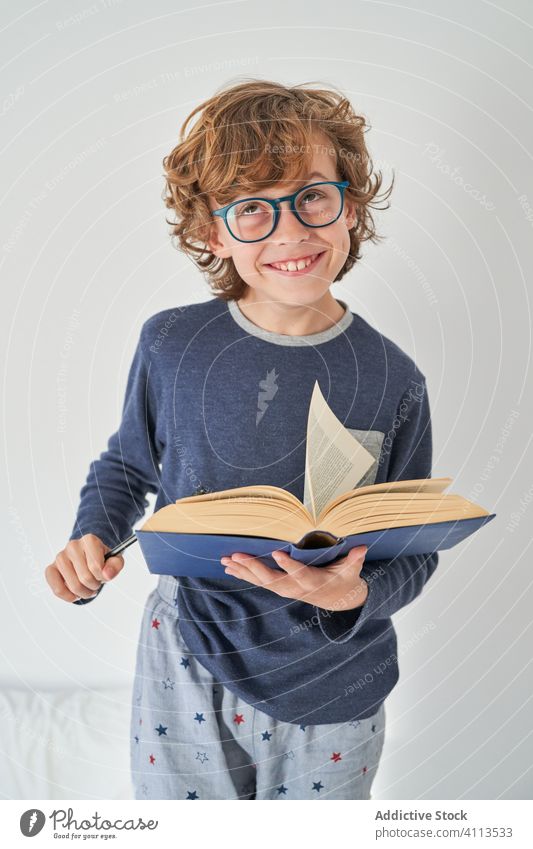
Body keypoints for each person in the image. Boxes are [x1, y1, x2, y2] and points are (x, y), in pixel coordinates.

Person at [45, 79, 438, 800]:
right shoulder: (171, 341)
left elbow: (412, 557)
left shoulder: (394, 378)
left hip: (334, 680)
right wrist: (91, 536)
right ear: (211, 231)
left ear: (350, 203)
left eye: (312, 197)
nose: (290, 232)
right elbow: (127, 464)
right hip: (186, 655)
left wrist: (354, 592)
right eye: (252, 209)